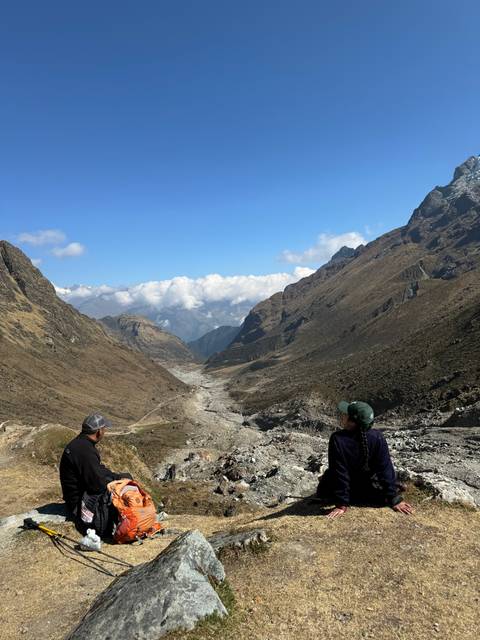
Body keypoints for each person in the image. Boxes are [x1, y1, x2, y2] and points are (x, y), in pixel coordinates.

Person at [317, 400, 413, 519]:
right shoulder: (377, 437)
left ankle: (344, 496)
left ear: (352, 422)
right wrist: (394, 498)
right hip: (369, 486)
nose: (342, 416)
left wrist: (341, 504)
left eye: (345, 415)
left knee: (324, 485)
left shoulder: (337, 439)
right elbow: (385, 468)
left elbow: (340, 472)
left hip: (350, 488)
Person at [59, 413, 132, 538]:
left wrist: (117, 476)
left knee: (122, 480)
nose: (104, 432)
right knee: (118, 491)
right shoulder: (84, 450)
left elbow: (97, 470)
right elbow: (96, 485)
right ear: (98, 432)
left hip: (76, 496)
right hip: (78, 503)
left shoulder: (81, 444)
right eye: (104, 429)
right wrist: (116, 483)